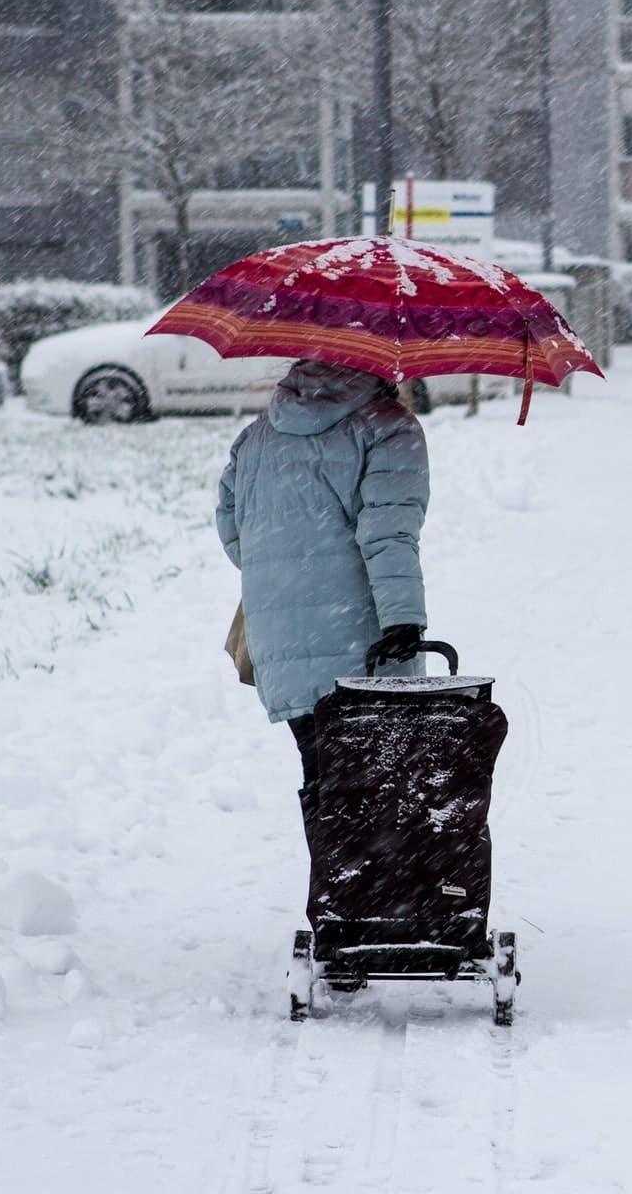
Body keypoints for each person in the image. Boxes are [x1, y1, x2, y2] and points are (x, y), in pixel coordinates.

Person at [216, 359, 431, 880]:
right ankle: (384, 908)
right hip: (362, 640)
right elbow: (388, 535)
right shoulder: (388, 427)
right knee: (381, 781)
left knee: (324, 775)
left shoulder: (255, 438)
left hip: (281, 638)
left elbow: (234, 532)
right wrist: (403, 621)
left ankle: (339, 903)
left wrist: (289, 581)